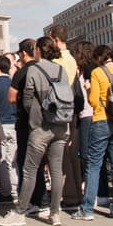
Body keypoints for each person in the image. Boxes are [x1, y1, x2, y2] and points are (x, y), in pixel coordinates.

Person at [0, 36, 69, 226]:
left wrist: (33, 117)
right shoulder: (61, 69)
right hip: (61, 125)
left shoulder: (34, 70)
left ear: (38, 50)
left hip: (40, 126)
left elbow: (27, 99)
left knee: (29, 170)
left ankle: (20, 212)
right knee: (55, 170)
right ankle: (55, 213)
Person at [72, 45, 113, 221]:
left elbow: (93, 101)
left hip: (102, 119)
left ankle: (87, 209)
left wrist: (88, 88)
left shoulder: (97, 73)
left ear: (98, 58)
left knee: (94, 164)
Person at [8, 38, 47, 214]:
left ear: (23, 53)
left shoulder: (22, 72)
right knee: (40, 163)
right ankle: (44, 200)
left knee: (26, 163)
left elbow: (10, 97)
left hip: (25, 122)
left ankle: (31, 200)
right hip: (44, 121)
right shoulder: (43, 69)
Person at [49, 25, 81, 209]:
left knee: (62, 155)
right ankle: (74, 192)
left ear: (55, 39)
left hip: (60, 108)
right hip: (70, 109)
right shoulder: (71, 59)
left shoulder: (59, 60)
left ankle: (69, 195)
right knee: (70, 153)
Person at [0, 55, 19, 203]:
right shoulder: (15, 83)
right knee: (12, 159)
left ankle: (6, 190)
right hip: (14, 123)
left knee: (0, 159)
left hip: (0, 124)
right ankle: (15, 188)